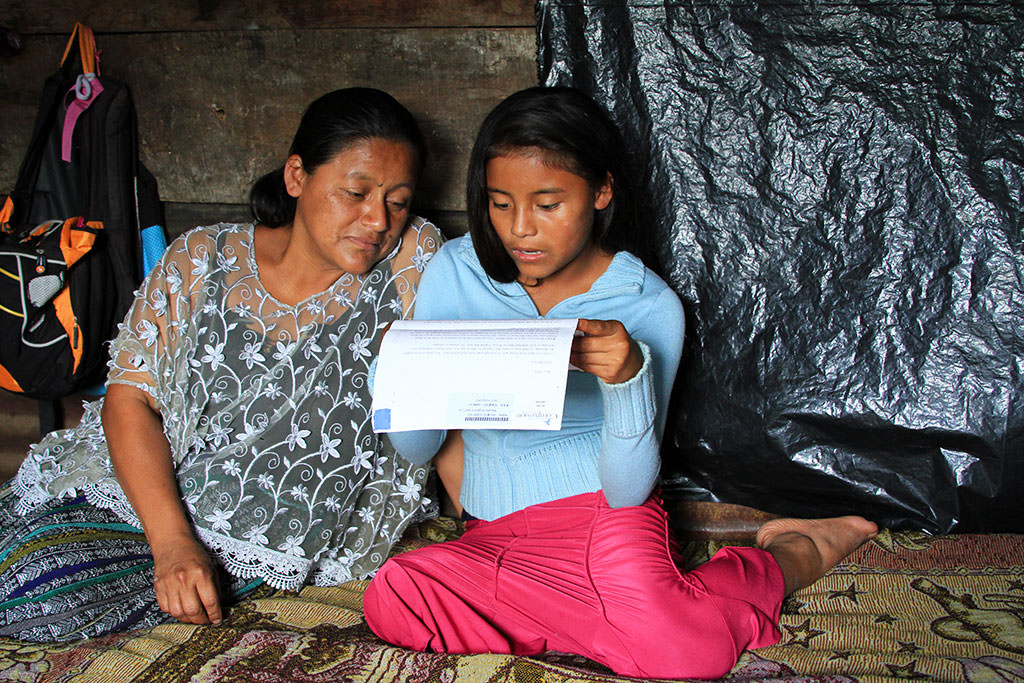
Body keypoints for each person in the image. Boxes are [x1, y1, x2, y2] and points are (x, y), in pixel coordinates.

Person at [361, 86, 878, 680]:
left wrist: (630, 379)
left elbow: (630, 489)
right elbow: (418, 448)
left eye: (547, 204)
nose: (520, 231)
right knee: (393, 596)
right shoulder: (456, 269)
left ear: (600, 192)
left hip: (603, 521)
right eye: (500, 204)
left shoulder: (646, 303)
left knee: (686, 654)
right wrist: (399, 370)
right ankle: (597, 623)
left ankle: (793, 551)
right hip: (493, 530)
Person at [0, 88, 443, 642]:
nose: (377, 219)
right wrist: (172, 545)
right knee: (16, 560)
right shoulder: (201, 257)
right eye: (355, 192)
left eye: (398, 201)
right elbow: (129, 399)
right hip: (146, 498)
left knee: (31, 589)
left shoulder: (412, 259)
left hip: (261, 538)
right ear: (297, 176)